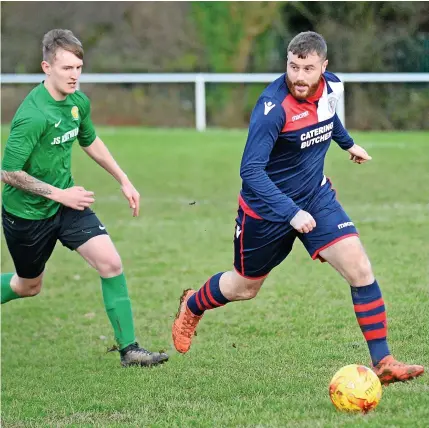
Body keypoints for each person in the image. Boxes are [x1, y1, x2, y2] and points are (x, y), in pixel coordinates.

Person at [172, 31, 424, 384]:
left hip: (315, 198)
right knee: (245, 287)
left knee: (360, 268)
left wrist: (348, 144)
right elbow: (250, 171)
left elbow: (328, 117)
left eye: (308, 68)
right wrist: (290, 212)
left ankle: (383, 362)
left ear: (324, 67)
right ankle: (193, 304)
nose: (299, 77)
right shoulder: (271, 109)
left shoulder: (332, 87)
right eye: (293, 67)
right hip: (265, 211)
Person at [1, 29, 168, 368]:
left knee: (111, 263)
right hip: (27, 215)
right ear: (46, 67)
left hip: (68, 205)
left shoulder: (78, 103)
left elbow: (89, 140)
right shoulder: (32, 115)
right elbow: (9, 172)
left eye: (78, 67)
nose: (74, 75)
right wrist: (59, 194)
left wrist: (123, 179)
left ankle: (130, 350)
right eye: (66, 68)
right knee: (27, 286)